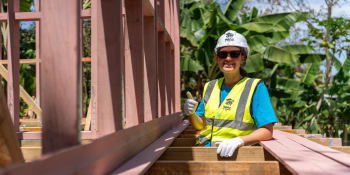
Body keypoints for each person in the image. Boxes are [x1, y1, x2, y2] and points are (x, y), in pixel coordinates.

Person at [184, 30, 277, 158]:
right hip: (206, 154)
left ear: (242, 58)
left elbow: (267, 131)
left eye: (234, 54)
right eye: (223, 54)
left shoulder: (255, 87)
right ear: (217, 59)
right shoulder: (210, 86)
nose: (228, 58)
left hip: (238, 155)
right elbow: (200, 124)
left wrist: (239, 141)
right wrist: (191, 113)